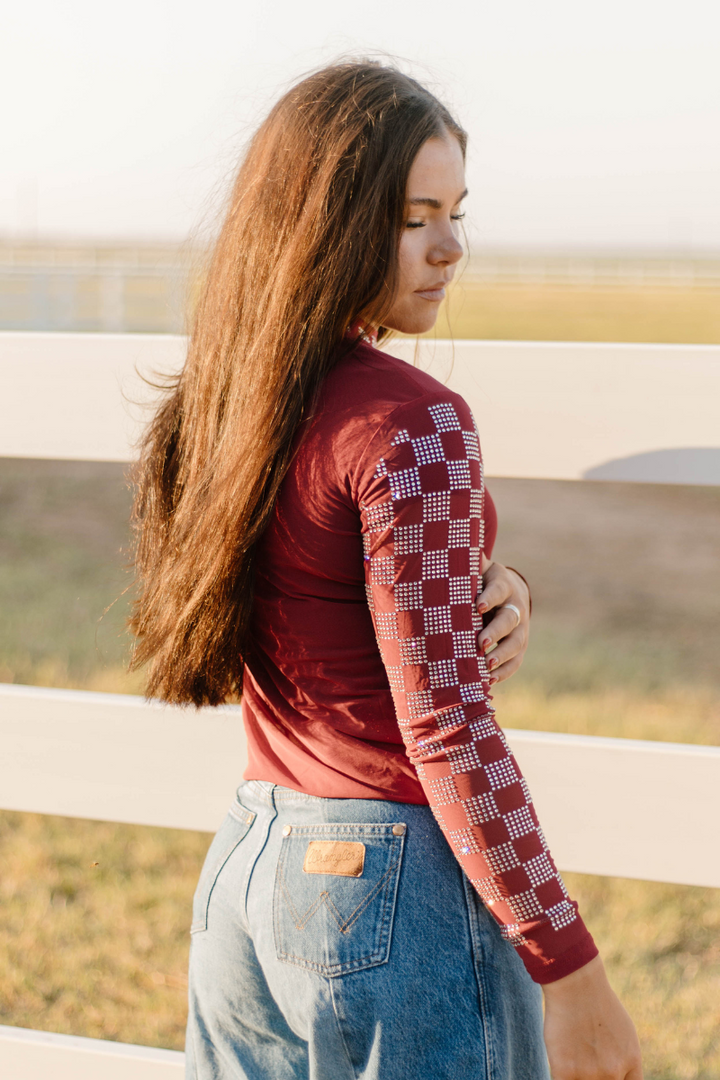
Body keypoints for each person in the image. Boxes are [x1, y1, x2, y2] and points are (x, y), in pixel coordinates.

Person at [129, 61, 643, 1080]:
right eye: (415, 218)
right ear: (327, 222)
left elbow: (322, 592)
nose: (453, 248)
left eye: (457, 212)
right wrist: (570, 969)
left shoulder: (233, 397)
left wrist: (499, 587)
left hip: (251, 867)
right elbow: (446, 725)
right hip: (388, 899)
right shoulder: (413, 421)